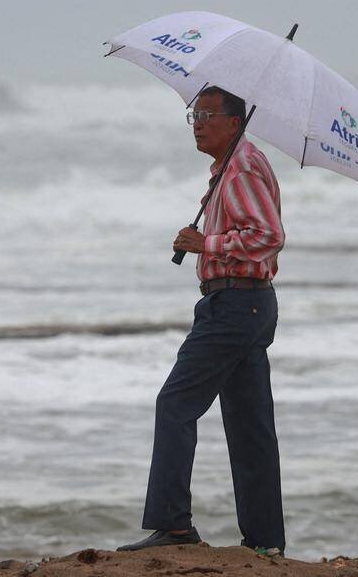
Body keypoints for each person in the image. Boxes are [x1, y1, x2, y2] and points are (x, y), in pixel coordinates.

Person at [117, 86, 286, 554]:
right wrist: (203, 239)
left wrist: (205, 244)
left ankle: (173, 527)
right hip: (247, 304)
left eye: (208, 115)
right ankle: (266, 544)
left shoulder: (242, 167)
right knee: (250, 427)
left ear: (235, 122)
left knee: (175, 403)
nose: (197, 123)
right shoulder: (230, 168)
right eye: (194, 114)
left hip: (234, 305)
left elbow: (268, 235)